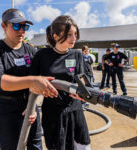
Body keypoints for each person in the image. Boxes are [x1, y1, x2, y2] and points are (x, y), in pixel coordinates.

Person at [0, 8, 58, 150]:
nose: (21, 30)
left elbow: (46, 75)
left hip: (29, 107)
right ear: (3, 26)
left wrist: (32, 107)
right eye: (16, 25)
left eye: (24, 26)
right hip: (5, 111)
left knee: (36, 146)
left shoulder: (31, 51)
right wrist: (32, 81)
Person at [30, 15, 91, 150]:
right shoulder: (42, 55)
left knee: (82, 145)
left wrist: (82, 90)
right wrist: (31, 107)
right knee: (57, 146)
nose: (74, 38)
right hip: (53, 112)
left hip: (74, 108)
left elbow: (81, 79)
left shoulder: (77, 54)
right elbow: (31, 82)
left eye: (75, 34)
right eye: (69, 34)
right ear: (56, 36)